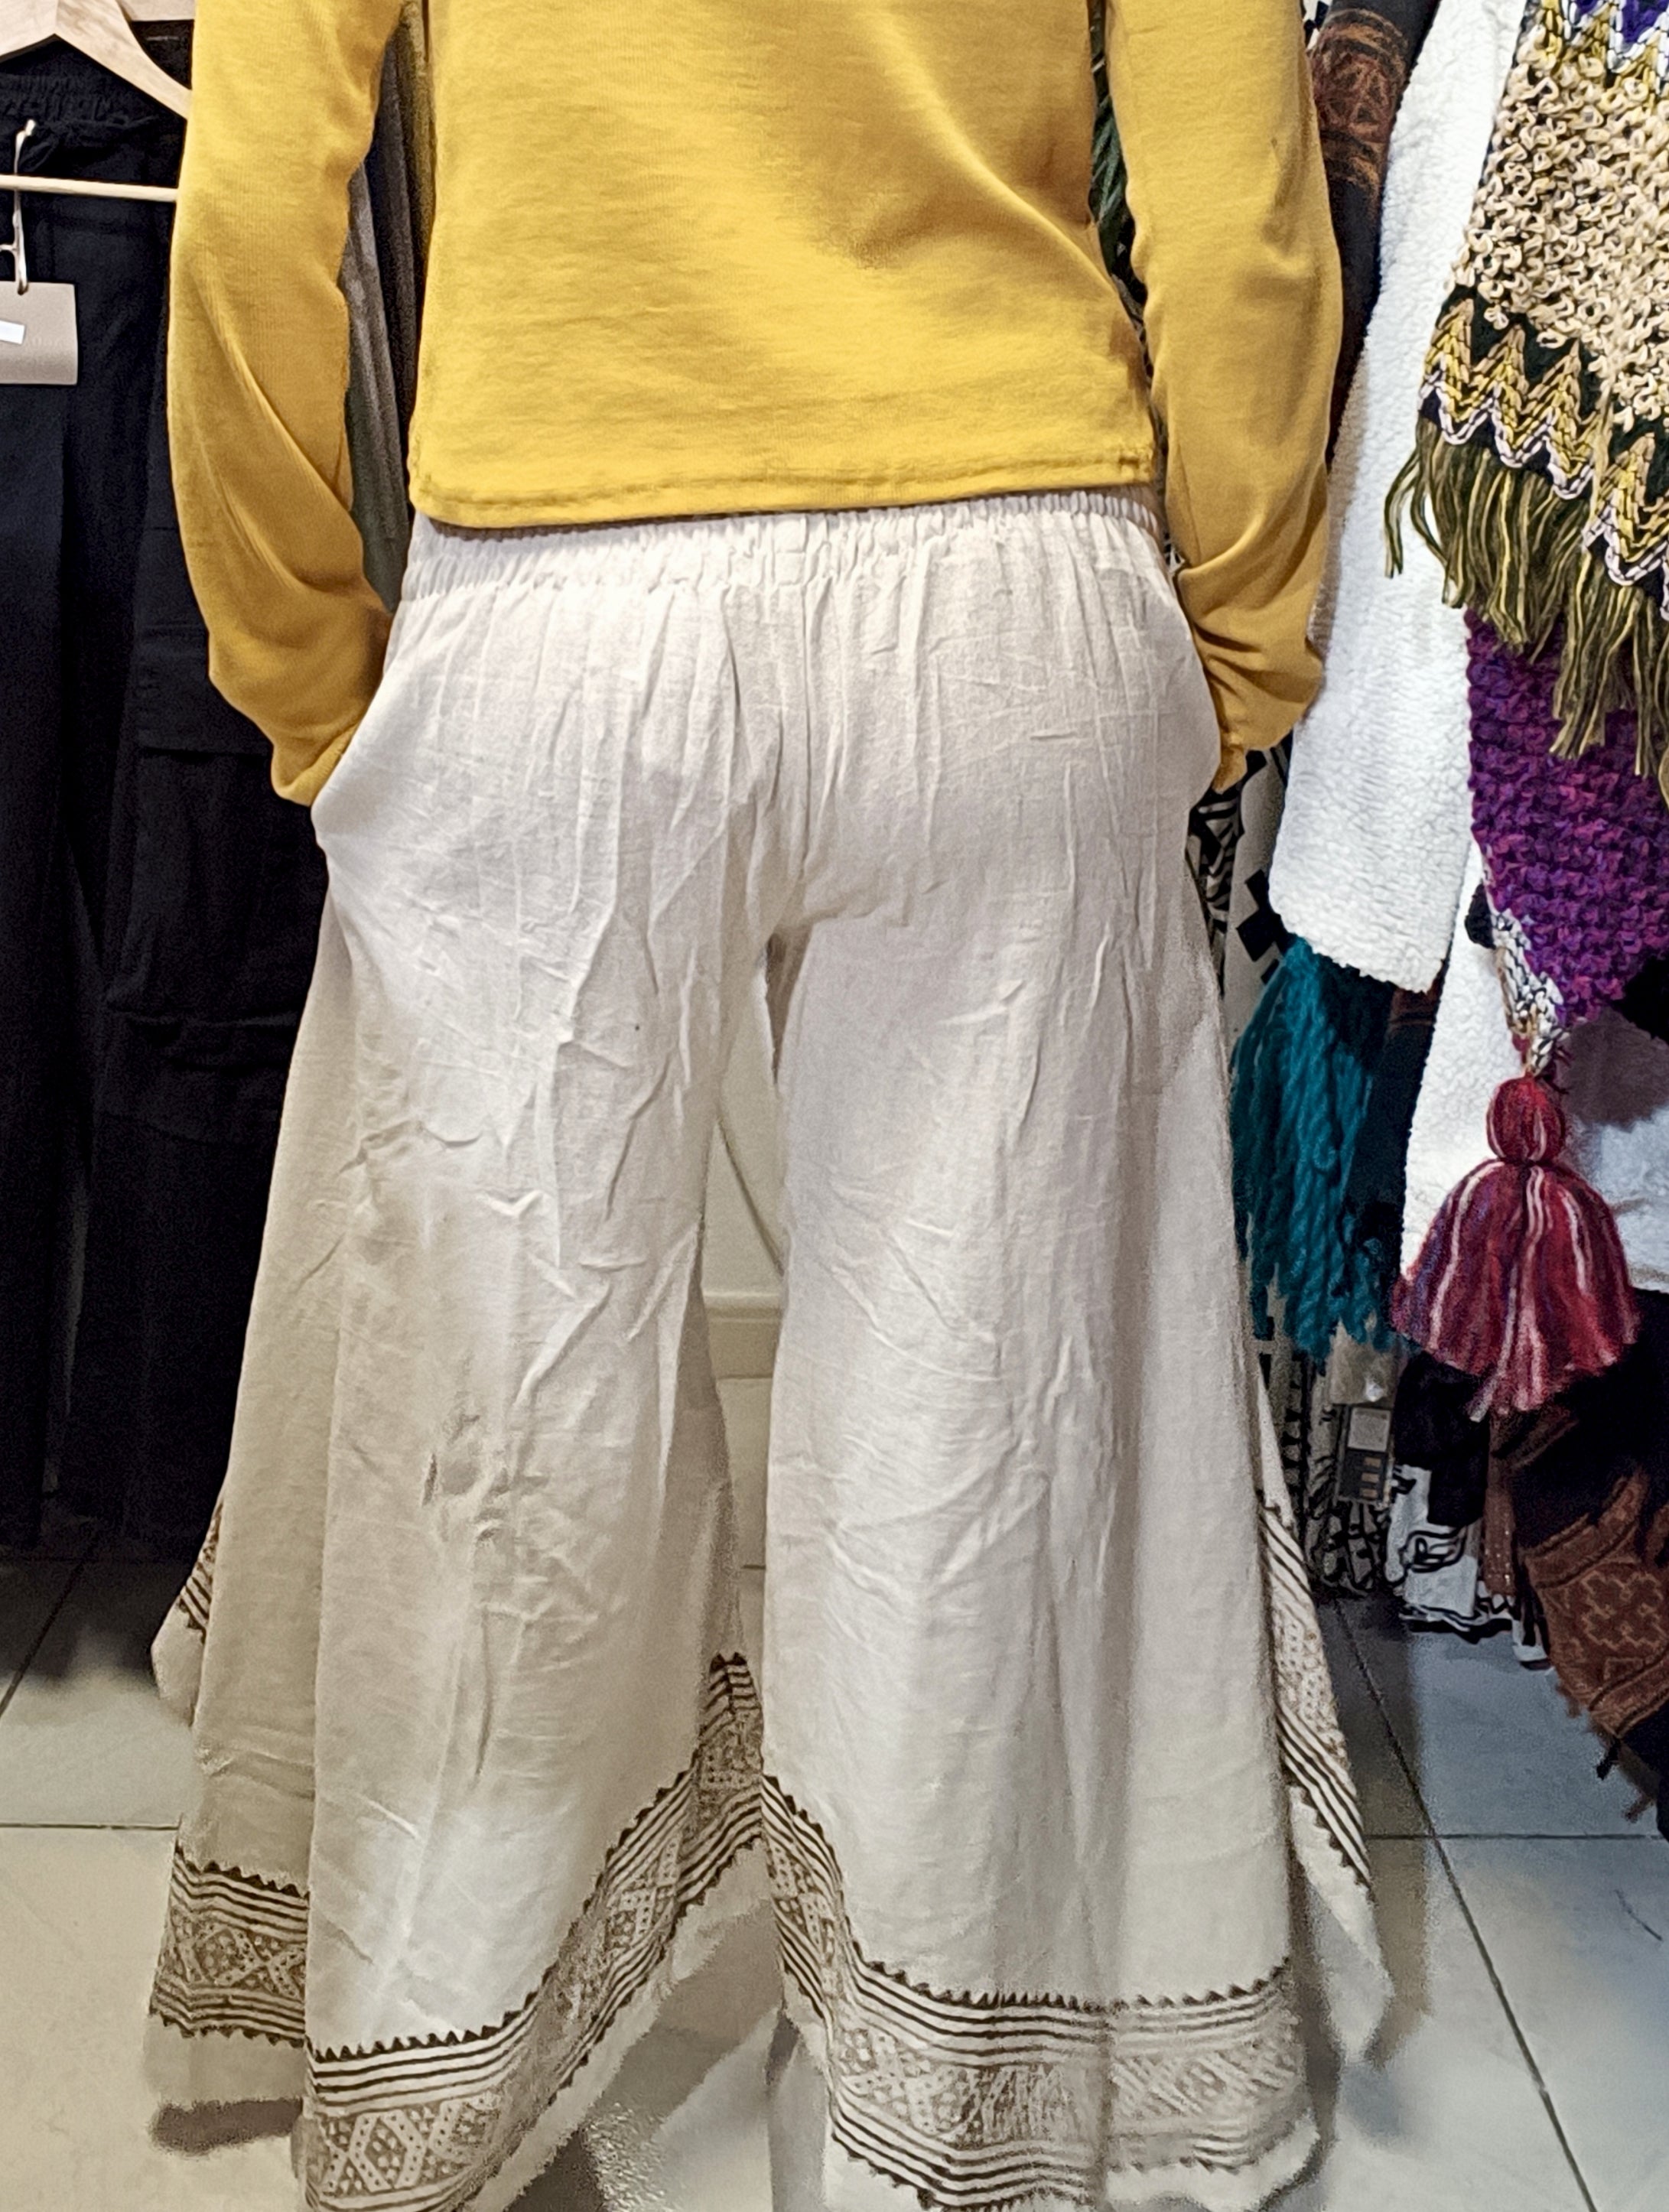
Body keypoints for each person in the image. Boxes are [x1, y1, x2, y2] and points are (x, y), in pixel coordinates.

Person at [143, 5, 1379, 2209]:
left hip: (553, 589)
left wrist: (306, 673)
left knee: (499, 1406)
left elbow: (248, 206)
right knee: (983, 1415)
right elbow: (1246, 220)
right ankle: (947, 2107)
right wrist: (1237, 649)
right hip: (1012, 569)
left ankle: (444, 2075)